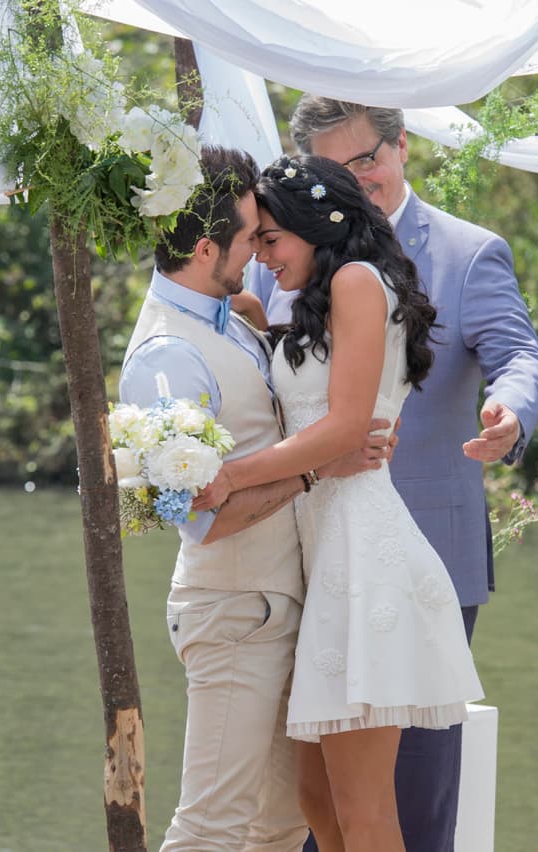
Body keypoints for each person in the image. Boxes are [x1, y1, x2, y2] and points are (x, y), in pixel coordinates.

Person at [249, 97, 538, 851]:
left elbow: (521, 355)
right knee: (322, 808)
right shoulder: (293, 266)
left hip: (412, 559)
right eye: (343, 166)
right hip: (311, 557)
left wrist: (508, 414)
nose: (363, 177)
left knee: (410, 809)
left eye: (369, 158)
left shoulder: (467, 250)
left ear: (401, 147)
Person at [198, 154, 485, 851]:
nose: (262, 254)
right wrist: (265, 327)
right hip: (319, 549)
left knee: (362, 810)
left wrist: (233, 476)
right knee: (315, 799)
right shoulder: (319, 298)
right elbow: (310, 401)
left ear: (316, 225)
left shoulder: (358, 280)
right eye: (256, 242)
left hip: (360, 554)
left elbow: (347, 425)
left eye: (270, 239)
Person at [119, 146, 394, 851]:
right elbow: (201, 521)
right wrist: (313, 473)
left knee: (276, 826)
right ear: (208, 247)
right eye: (252, 238)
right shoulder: (166, 357)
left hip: (284, 606)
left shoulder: (229, 319)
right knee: (211, 826)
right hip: (234, 610)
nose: (263, 252)